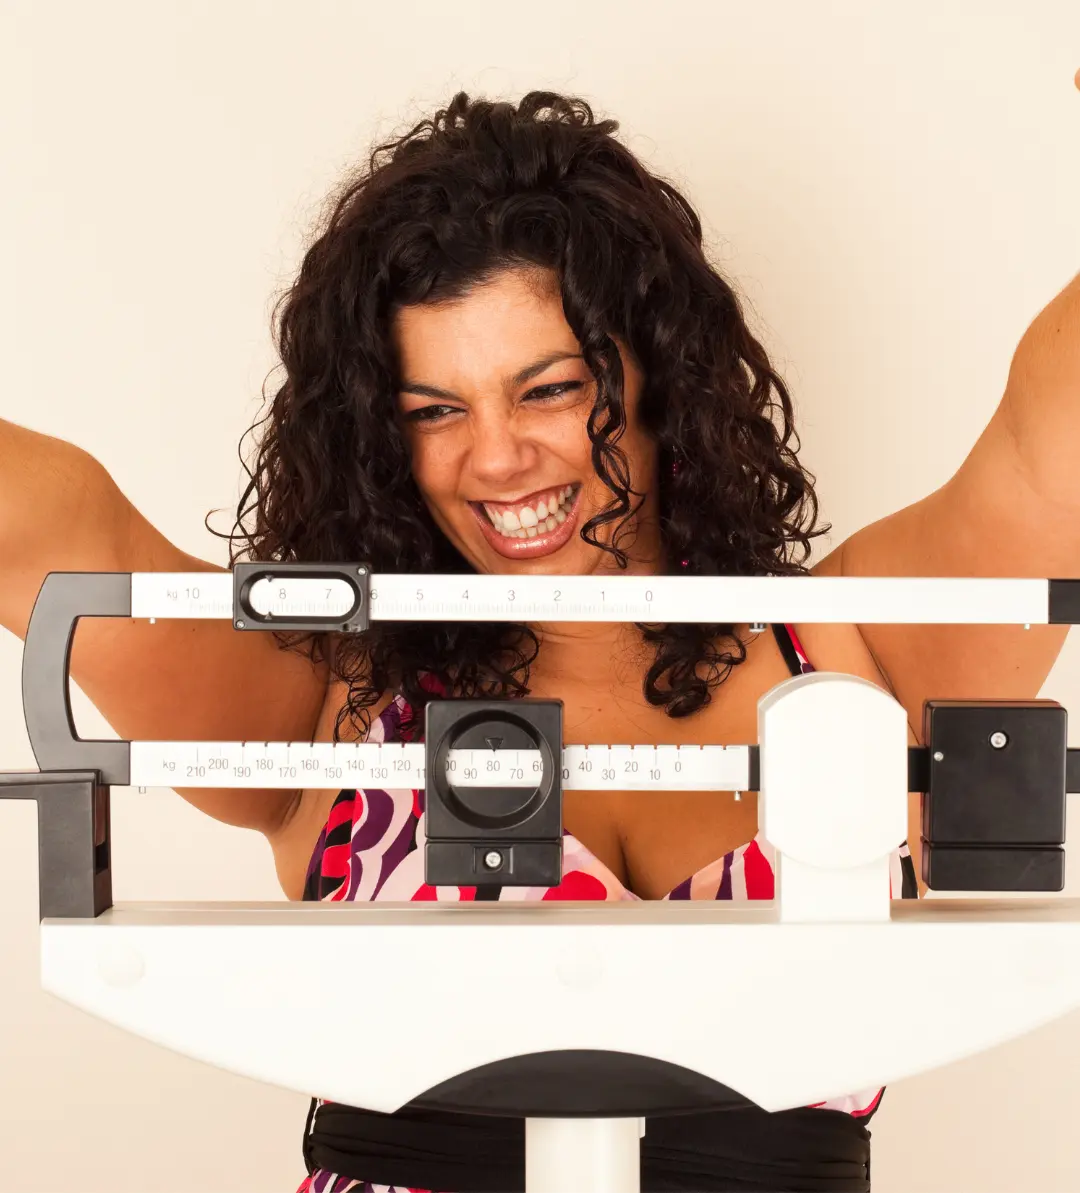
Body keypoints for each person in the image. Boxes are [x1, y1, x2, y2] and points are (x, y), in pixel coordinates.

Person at [1, 88, 1077, 1191]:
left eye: (551, 388)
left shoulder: (861, 648)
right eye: (435, 410)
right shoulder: (337, 697)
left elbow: (1057, 438)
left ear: (663, 375)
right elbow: (46, 522)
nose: (498, 458)